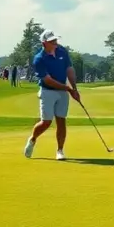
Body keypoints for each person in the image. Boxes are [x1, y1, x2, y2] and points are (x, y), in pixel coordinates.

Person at [23, 30, 80, 162]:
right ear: (44, 43)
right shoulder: (39, 59)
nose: (55, 43)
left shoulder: (62, 51)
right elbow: (48, 80)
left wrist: (74, 88)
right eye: (52, 41)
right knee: (46, 122)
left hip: (62, 92)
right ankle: (33, 139)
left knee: (61, 120)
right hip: (47, 91)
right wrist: (68, 89)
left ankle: (60, 150)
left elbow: (69, 69)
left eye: (55, 40)